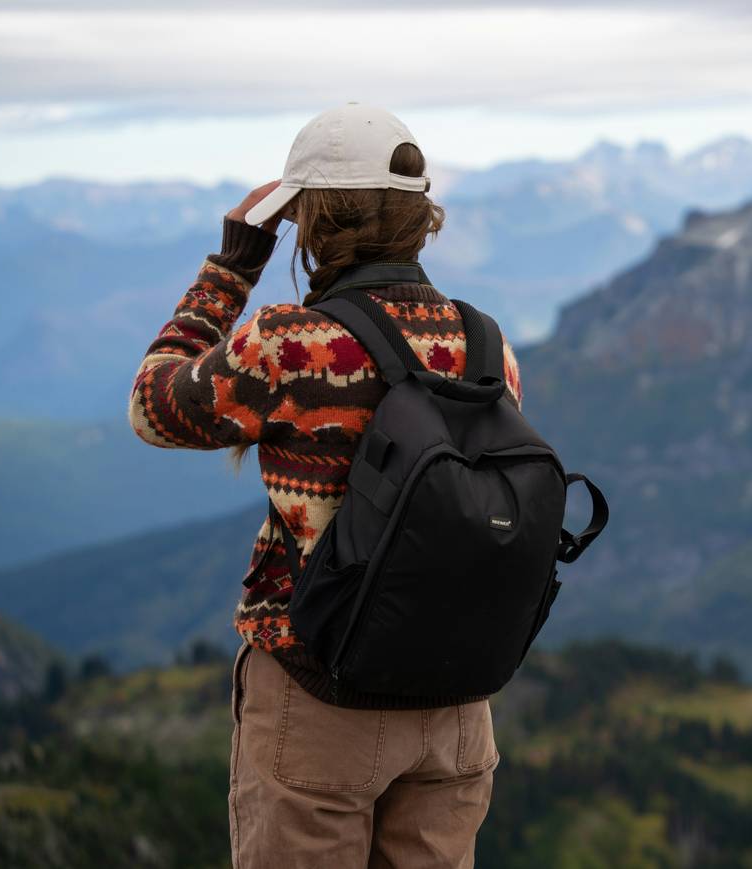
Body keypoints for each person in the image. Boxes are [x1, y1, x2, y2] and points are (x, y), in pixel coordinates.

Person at [127, 102, 523, 868]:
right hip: (456, 705)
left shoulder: (292, 344)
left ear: (311, 223)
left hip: (320, 695)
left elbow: (154, 406)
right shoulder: (486, 344)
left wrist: (229, 269)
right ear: (419, 216)